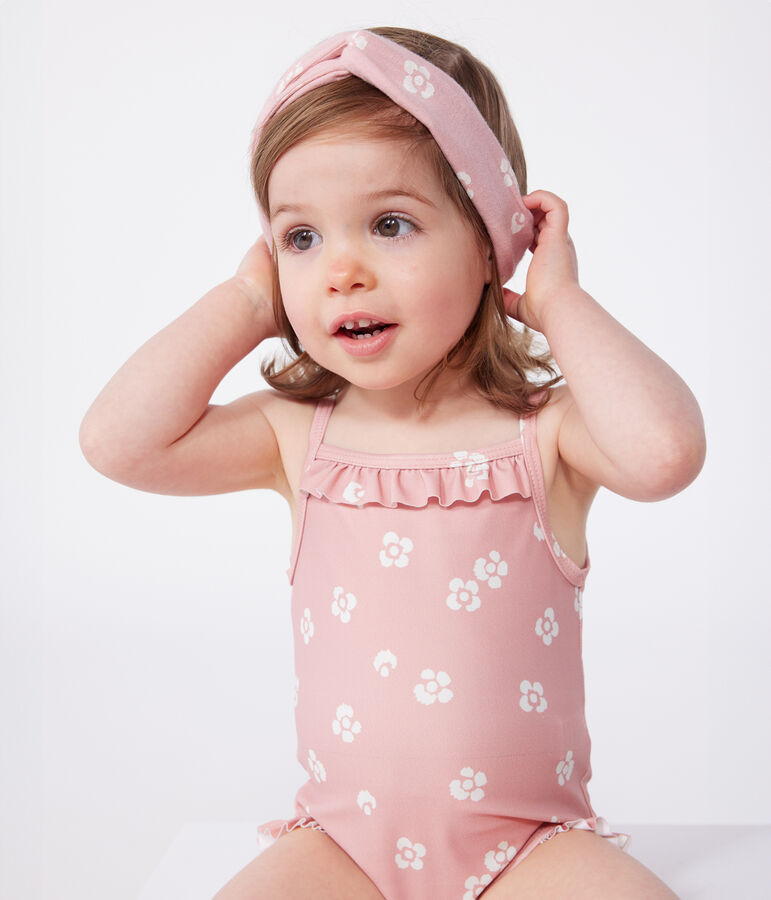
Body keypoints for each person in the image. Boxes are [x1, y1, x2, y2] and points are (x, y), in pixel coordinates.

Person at [79, 25, 704, 900]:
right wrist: (247, 299)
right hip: (343, 844)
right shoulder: (296, 436)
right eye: (300, 238)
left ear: (490, 244)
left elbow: (666, 453)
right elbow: (118, 441)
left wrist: (559, 303)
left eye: (389, 224)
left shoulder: (549, 434)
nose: (341, 270)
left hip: (529, 846)